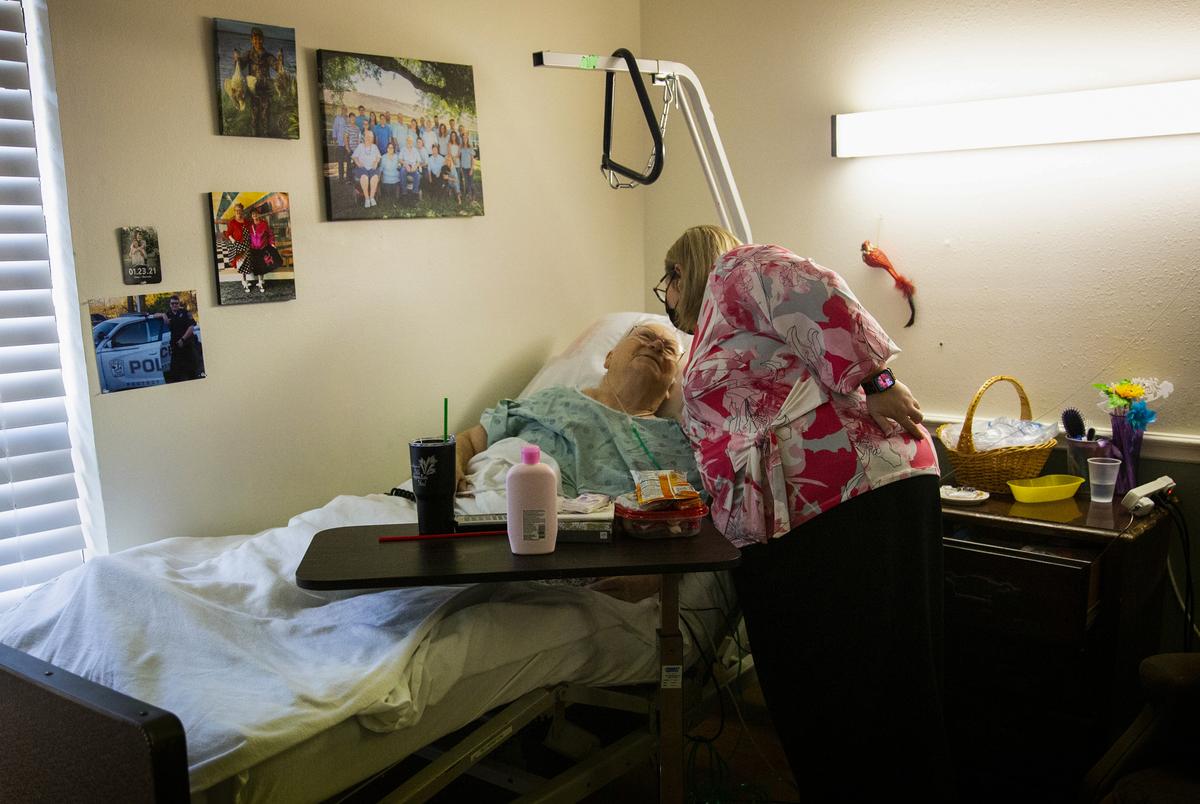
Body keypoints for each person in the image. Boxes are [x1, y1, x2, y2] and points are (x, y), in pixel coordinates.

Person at [657, 225, 950, 802]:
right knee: (823, 695)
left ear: (681, 272)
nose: (664, 300)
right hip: (798, 515)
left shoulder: (737, 270)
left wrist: (877, 378)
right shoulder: (713, 334)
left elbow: (815, 289)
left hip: (853, 488)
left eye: (665, 282)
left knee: (865, 692)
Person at [454, 322, 699, 499]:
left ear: (671, 387)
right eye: (645, 336)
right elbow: (470, 442)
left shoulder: (675, 444)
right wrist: (449, 466)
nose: (656, 345)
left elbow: (692, 522)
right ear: (609, 358)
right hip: (480, 510)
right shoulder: (553, 399)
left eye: (669, 349)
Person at [232, 27, 283, 137]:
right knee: (254, 117)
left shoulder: (267, 56)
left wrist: (280, 59)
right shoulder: (249, 54)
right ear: (251, 40)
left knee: (266, 116)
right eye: (255, 39)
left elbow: (277, 67)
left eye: (259, 39)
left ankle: (267, 137)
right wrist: (236, 59)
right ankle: (254, 138)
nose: (257, 41)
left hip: (266, 89)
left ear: (263, 40)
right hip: (253, 89)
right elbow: (240, 67)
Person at [155, 296, 202, 382]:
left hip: (187, 345)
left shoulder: (185, 313)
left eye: (176, 303)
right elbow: (154, 315)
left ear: (179, 304)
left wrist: (183, 339)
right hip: (176, 347)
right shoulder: (168, 314)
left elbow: (191, 327)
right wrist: (162, 315)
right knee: (176, 372)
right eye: (172, 303)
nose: (174, 305)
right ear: (170, 304)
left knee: (192, 371)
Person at [352, 128, 382, 208]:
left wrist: (376, 162)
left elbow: (378, 157)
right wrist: (358, 163)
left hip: (372, 168)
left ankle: (372, 197)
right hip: (362, 168)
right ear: (364, 137)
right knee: (364, 177)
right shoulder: (360, 146)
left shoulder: (375, 147)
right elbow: (354, 157)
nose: (369, 138)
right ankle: (367, 198)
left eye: (371, 137)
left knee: (375, 178)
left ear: (372, 139)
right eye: (367, 136)